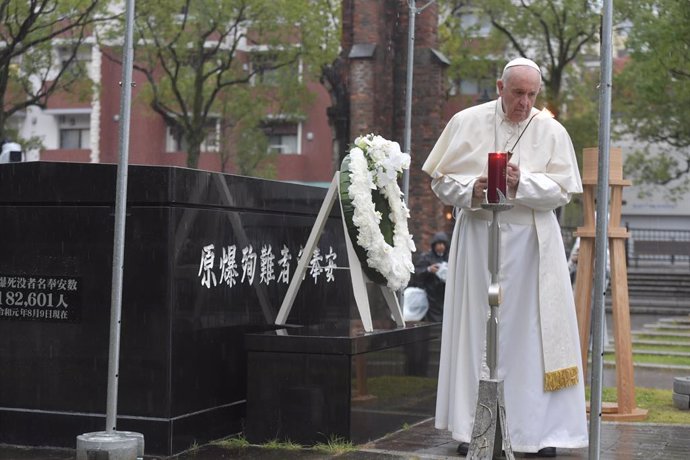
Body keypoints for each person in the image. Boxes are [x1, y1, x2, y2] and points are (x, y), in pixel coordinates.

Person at [422, 57, 588, 457]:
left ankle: (536, 432)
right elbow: (441, 180)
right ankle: (475, 429)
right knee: (477, 331)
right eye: (518, 93)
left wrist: (521, 181)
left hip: (532, 245)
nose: (525, 103)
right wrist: (474, 188)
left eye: (532, 95)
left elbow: (563, 191)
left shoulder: (551, 130)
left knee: (530, 337)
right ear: (500, 87)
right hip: (480, 238)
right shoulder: (466, 121)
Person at [413, 231, 449, 323]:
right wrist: (429, 269)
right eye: (439, 244)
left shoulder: (448, 258)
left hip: (445, 296)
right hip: (431, 297)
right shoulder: (426, 257)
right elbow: (417, 272)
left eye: (443, 244)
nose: (441, 246)